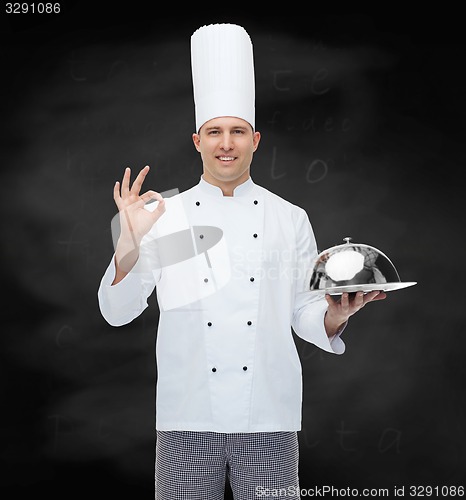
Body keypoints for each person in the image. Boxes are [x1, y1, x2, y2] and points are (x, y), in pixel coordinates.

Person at [98, 24, 386, 500]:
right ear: (197, 141)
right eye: (214, 132)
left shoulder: (289, 218)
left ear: (256, 139)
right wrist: (127, 240)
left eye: (236, 132)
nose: (225, 143)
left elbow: (301, 310)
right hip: (185, 419)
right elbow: (117, 310)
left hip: (269, 418)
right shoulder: (164, 218)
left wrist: (336, 314)